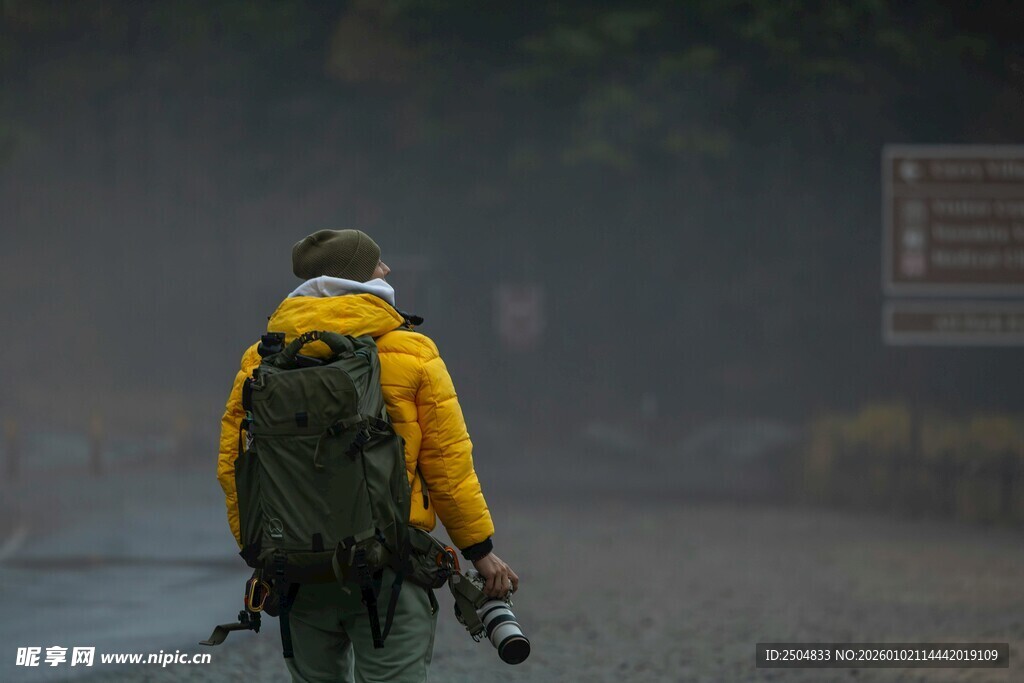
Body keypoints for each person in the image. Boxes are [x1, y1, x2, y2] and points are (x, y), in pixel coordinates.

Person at [216, 228, 518, 682]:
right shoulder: (411, 351)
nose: (387, 269)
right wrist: (481, 552)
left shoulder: (262, 359)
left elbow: (234, 468)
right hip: (390, 568)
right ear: (357, 275)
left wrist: (262, 553)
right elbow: (448, 466)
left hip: (298, 572)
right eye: (377, 263)